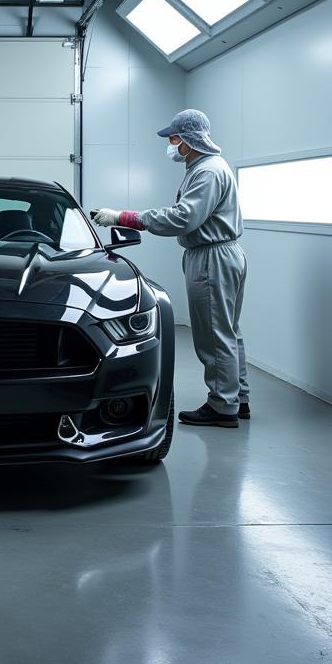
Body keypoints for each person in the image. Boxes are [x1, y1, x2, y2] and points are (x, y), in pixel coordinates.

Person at [94, 109, 249, 428]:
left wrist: (126, 218)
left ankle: (223, 406)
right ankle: (238, 397)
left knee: (213, 333)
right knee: (228, 330)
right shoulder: (206, 167)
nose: (171, 143)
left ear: (190, 139)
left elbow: (183, 218)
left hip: (211, 257)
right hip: (222, 253)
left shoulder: (207, 171)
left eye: (174, 137)